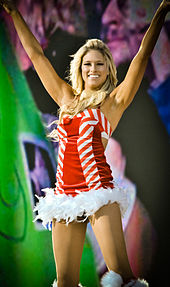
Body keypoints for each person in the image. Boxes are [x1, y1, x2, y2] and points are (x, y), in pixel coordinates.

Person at [0, 0, 169, 286]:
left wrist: (161, 14)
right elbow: (37, 56)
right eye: (87, 63)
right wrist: (15, 14)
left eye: (99, 64)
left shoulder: (112, 104)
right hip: (65, 194)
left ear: (107, 71)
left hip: (98, 194)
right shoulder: (65, 98)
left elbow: (141, 57)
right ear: (79, 67)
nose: (93, 69)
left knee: (122, 276)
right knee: (65, 280)